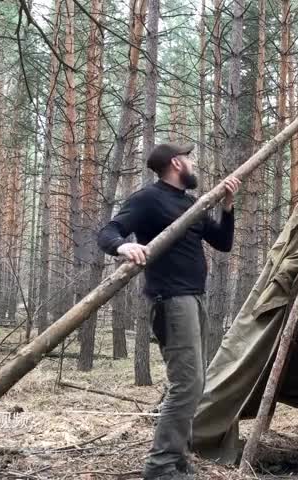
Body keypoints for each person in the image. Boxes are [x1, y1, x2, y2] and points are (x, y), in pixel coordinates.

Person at [97, 142, 240, 480]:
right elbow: (108, 231)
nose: (194, 164)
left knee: (196, 382)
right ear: (177, 163)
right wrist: (123, 245)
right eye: (189, 159)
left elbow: (222, 242)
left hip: (195, 299)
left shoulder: (191, 204)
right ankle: (160, 466)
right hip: (171, 300)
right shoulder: (149, 199)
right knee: (186, 384)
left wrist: (228, 207)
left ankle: (177, 460)